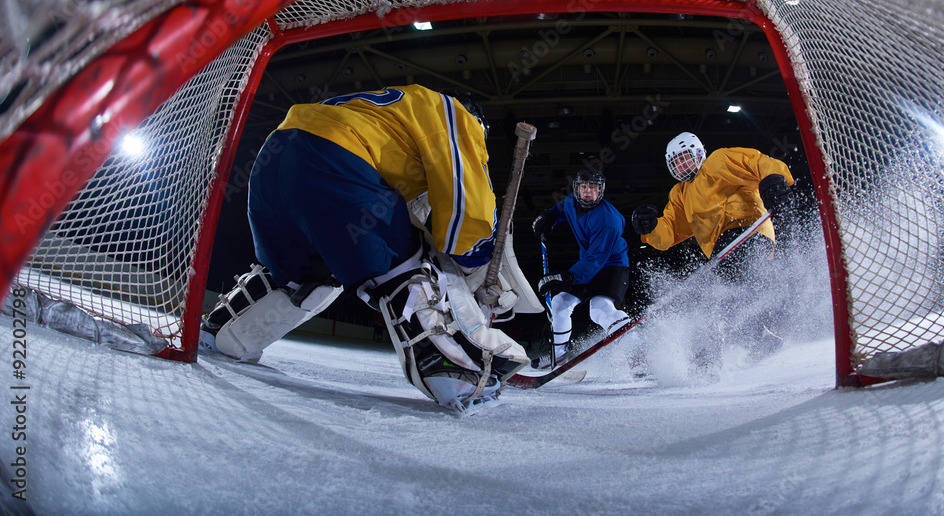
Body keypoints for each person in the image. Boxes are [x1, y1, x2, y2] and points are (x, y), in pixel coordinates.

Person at [199, 84, 532, 411]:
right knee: (409, 266)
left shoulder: (386, 111)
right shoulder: (455, 114)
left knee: (303, 275)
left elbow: (405, 211)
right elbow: (465, 204)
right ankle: (459, 374)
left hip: (273, 162)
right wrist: (478, 264)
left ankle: (221, 335)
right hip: (335, 162)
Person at [630, 131, 795, 373]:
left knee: (720, 294)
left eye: (685, 158)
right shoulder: (680, 194)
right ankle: (759, 340)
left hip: (748, 230)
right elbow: (669, 232)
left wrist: (774, 178)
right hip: (723, 250)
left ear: (698, 153)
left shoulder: (718, 161)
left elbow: (758, 162)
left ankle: (713, 353)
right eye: (675, 162)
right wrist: (651, 226)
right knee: (727, 294)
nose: (682, 165)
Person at [531, 170, 631, 366]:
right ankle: (558, 356)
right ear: (577, 189)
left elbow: (595, 260)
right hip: (586, 266)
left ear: (600, 190)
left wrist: (564, 277)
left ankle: (637, 352)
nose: (587, 192)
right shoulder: (571, 202)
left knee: (600, 308)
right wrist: (550, 215)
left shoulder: (608, 221)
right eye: (583, 187)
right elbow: (562, 209)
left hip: (612, 267)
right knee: (560, 304)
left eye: (592, 188)